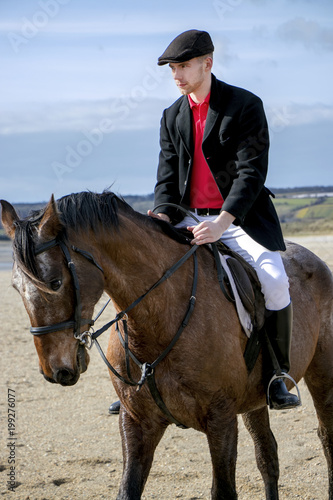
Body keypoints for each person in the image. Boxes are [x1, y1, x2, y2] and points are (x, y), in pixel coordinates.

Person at [109, 29, 300, 416]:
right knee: (140, 273)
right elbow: (166, 178)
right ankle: (137, 380)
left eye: (183, 66)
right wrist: (162, 214)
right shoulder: (171, 116)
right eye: (172, 69)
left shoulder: (244, 105)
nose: (176, 75)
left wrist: (222, 223)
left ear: (207, 63)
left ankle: (279, 376)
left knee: (276, 281)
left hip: (240, 218)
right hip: (188, 217)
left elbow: (251, 175)